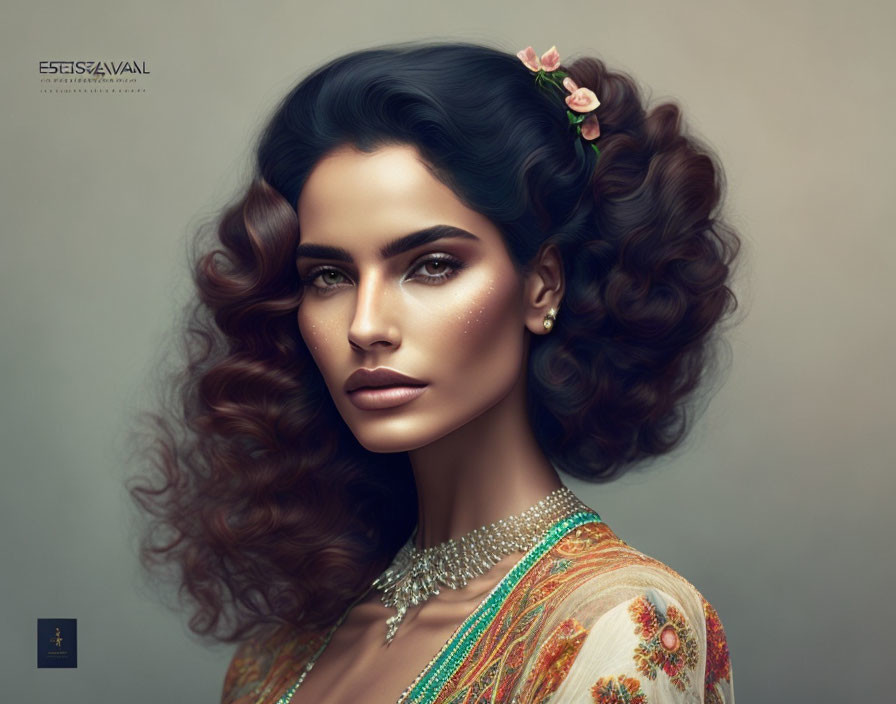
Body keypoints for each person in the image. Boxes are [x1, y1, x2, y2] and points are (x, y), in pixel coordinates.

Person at [130, 41, 739, 703]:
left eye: (431, 265)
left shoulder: (620, 624)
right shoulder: (277, 656)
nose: (365, 325)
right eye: (329, 276)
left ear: (541, 284)